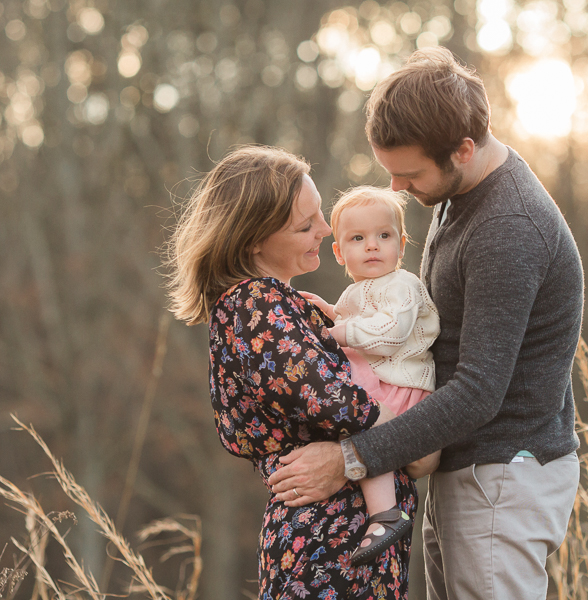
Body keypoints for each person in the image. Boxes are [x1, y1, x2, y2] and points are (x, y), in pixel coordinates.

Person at [268, 47, 584, 600]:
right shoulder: (463, 191)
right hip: (467, 468)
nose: (396, 189)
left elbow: (479, 393)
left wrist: (350, 460)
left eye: (408, 173)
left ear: (463, 149)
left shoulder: (507, 227)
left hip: (503, 476)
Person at [165, 145, 426, 599]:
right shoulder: (255, 304)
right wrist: (416, 439)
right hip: (330, 534)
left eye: (320, 215)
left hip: (347, 528)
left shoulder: (285, 304)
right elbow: (332, 400)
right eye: (306, 225)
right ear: (254, 240)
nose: (326, 230)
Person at [302, 185, 441, 566]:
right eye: (358, 239)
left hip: (404, 387)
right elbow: (353, 320)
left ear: (401, 242)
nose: (372, 246)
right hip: (384, 383)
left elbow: (389, 332)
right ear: (339, 252)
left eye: (384, 235)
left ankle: (385, 514)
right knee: (353, 415)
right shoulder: (355, 291)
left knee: (363, 424)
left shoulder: (404, 286)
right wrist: (331, 313)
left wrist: (338, 332)